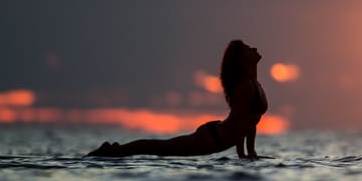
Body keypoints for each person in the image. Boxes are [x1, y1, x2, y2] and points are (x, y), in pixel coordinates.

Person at [86, 40, 268, 158]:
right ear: (242, 60)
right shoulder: (244, 87)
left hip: (217, 136)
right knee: (161, 148)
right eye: (247, 49)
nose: (254, 48)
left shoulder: (254, 84)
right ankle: (112, 151)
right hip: (212, 139)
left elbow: (251, 123)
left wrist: (251, 152)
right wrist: (243, 156)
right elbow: (240, 125)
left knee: (162, 148)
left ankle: (116, 149)